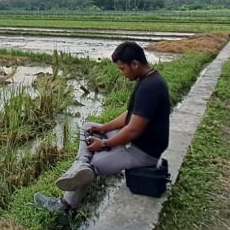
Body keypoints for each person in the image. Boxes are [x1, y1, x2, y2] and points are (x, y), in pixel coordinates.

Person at [34, 40, 171, 213]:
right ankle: (82, 163)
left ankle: (65, 205)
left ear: (135, 64)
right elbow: (129, 115)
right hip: (136, 143)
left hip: (142, 153)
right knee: (89, 126)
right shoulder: (148, 79)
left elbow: (134, 129)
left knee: (95, 163)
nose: (122, 73)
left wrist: (105, 144)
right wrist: (104, 128)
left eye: (123, 69)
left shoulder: (150, 88)